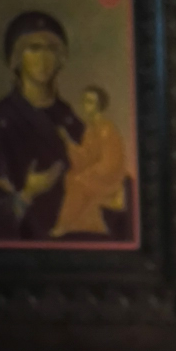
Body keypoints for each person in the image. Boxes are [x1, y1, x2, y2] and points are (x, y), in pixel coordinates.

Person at [0, 11, 82, 243]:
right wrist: (28, 194)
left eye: (51, 48)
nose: (44, 58)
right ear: (16, 57)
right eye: (34, 48)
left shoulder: (69, 117)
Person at [52, 86, 128, 238]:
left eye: (90, 102)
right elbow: (84, 157)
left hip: (108, 178)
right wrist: (66, 140)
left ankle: (64, 225)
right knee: (71, 177)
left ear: (99, 105)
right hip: (95, 173)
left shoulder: (106, 128)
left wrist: (88, 174)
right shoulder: (90, 129)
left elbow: (110, 163)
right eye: (84, 101)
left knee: (78, 182)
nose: (85, 105)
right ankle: (76, 226)